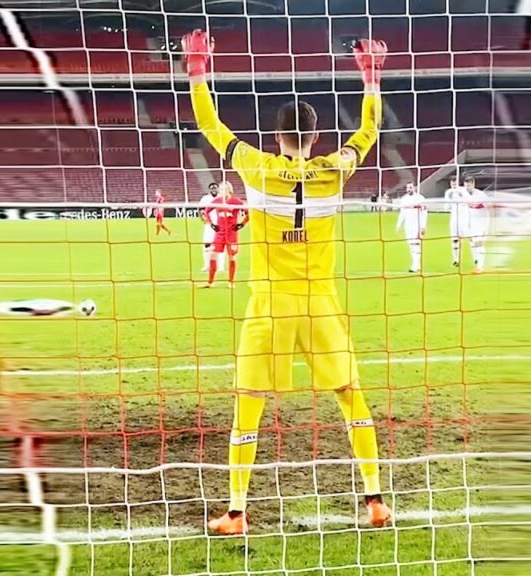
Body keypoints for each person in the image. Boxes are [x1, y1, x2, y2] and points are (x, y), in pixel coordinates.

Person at [183, 28, 393, 535]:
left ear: (276, 137)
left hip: (270, 305)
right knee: (350, 396)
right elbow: (367, 134)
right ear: (316, 137)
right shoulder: (334, 170)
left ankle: (236, 512)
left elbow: (210, 126)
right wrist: (370, 79)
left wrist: (196, 69)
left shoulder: (255, 167)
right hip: (320, 302)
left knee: (248, 405)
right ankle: (375, 502)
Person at [201, 181, 247, 288]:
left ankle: (231, 282)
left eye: (224, 189)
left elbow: (248, 211)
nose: (221, 192)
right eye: (220, 189)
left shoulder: (236, 201)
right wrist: (211, 224)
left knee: (232, 257)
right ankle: (210, 282)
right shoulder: (217, 201)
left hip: (232, 234)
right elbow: (206, 211)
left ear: (229, 190)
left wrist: (242, 224)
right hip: (220, 233)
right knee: (212, 254)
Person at [395, 183, 427, 273]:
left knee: (416, 244)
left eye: (411, 187)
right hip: (408, 225)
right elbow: (402, 213)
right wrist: (399, 224)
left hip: (417, 224)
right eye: (408, 188)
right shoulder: (404, 199)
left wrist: (423, 226)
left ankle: (415, 265)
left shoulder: (420, 198)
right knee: (411, 245)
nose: (409, 189)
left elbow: (424, 213)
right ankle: (417, 264)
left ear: (415, 188)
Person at [199, 182, 225, 272]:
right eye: (212, 188)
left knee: (220, 245)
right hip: (209, 225)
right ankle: (207, 265)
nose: (214, 189)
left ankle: (220, 266)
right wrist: (203, 220)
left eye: (215, 188)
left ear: (218, 189)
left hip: (220, 225)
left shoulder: (222, 198)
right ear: (209, 189)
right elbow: (201, 210)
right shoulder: (205, 198)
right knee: (207, 244)